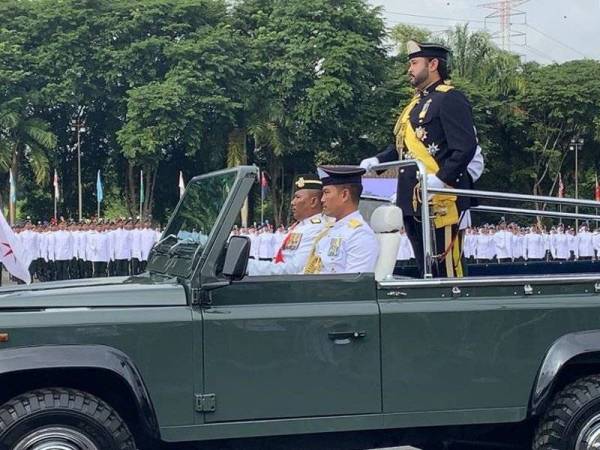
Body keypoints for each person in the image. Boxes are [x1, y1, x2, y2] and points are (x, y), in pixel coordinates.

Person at [360, 40, 479, 278]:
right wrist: (378, 162)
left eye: (415, 63)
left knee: (446, 270)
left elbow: (465, 147)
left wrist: (442, 180)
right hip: (412, 198)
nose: (410, 69)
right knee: (426, 268)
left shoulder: (450, 98)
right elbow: (403, 148)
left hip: (441, 199)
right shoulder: (415, 105)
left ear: (433, 64)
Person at [303, 166, 378, 274]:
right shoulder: (329, 230)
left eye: (327, 192)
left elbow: (353, 285)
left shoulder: (359, 235)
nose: (322, 199)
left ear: (344, 195)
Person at [248, 174, 327, 276]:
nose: (292, 202)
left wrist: (250, 267)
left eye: (298, 197)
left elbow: (295, 268)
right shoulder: (301, 226)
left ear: (313, 201)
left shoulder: (316, 228)